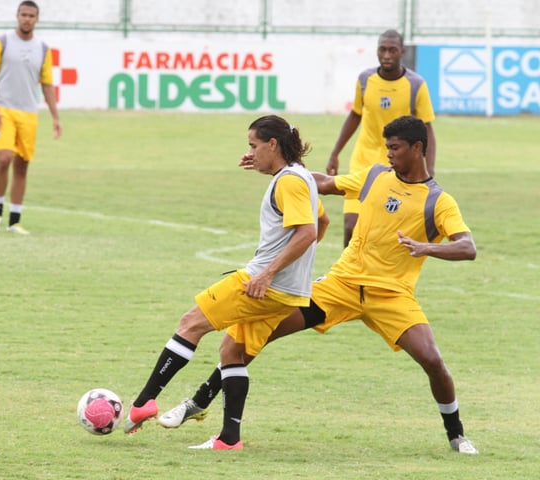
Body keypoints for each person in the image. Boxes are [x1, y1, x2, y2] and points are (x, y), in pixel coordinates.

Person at [160, 116, 479, 455]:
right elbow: (324, 182)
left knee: (432, 360)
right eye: (386, 147)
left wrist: (426, 247)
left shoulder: (438, 201)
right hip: (339, 287)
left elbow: (467, 246)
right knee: (260, 331)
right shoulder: (375, 176)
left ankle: (456, 434)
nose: (388, 155)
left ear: (418, 149)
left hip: (391, 295)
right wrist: (279, 168)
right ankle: (198, 402)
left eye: (395, 148)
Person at [124, 115, 321, 451]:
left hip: (262, 285)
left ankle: (145, 401)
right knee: (232, 351)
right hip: (290, 293)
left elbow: (308, 232)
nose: (250, 152)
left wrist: (268, 272)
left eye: (253, 146)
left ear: (273, 144)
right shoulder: (299, 177)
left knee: (190, 324)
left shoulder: (290, 182)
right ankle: (229, 439)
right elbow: (321, 220)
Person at [327, 29, 436, 247]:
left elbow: (427, 130)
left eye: (392, 50)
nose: (386, 55)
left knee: (384, 231)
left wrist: (429, 169)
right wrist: (335, 153)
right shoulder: (366, 79)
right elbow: (355, 115)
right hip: (363, 160)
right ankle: (347, 277)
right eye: (382, 50)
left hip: (397, 164)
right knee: (351, 225)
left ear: (402, 52)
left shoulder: (416, 85)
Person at [0, 0, 62, 235]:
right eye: (23, 14)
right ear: (17, 16)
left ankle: (14, 220)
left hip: (29, 113)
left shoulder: (43, 49)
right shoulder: (3, 42)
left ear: (37, 19)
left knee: (22, 165)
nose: (27, 19)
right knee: (4, 158)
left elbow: (47, 85)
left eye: (31, 15)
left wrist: (55, 117)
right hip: (3, 110)